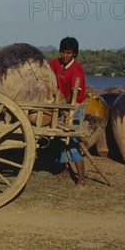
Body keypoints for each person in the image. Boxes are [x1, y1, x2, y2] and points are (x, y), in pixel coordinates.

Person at [49, 37, 87, 187]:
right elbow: (46, 69)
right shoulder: (55, 63)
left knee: (72, 141)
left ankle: (81, 179)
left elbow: (74, 93)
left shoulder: (76, 69)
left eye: (68, 53)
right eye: (63, 52)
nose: (65, 56)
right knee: (60, 140)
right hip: (61, 106)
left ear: (74, 54)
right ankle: (65, 170)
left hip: (74, 108)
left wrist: (67, 108)